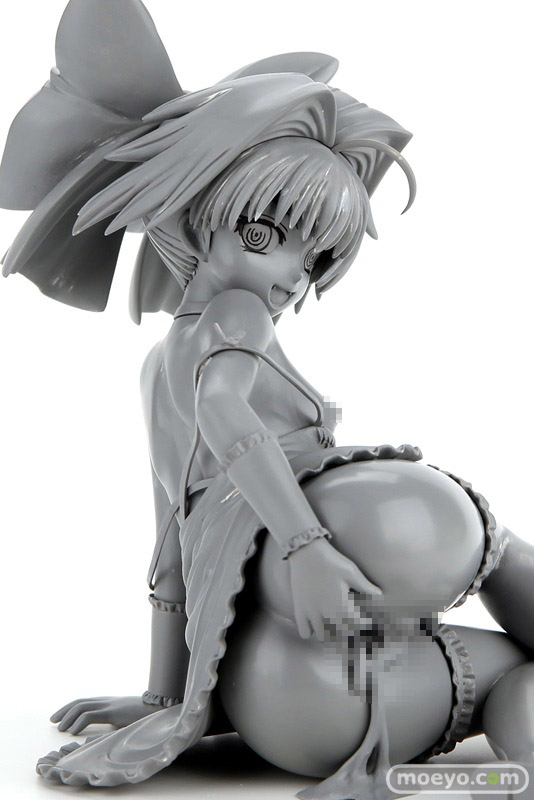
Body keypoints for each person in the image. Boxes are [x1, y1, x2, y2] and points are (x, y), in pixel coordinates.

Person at [2, 1, 533, 797]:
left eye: (313, 258)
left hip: (282, 667)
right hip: (334, 549)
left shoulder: (160, 362)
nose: (289, 274)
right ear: (200, 211)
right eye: (266, 235)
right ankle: (481, 763)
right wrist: (305, 544)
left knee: (482, 643)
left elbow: (171, 542)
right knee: (503, 574)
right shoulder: (236, 315)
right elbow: (227, 417)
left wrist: (166, 701)